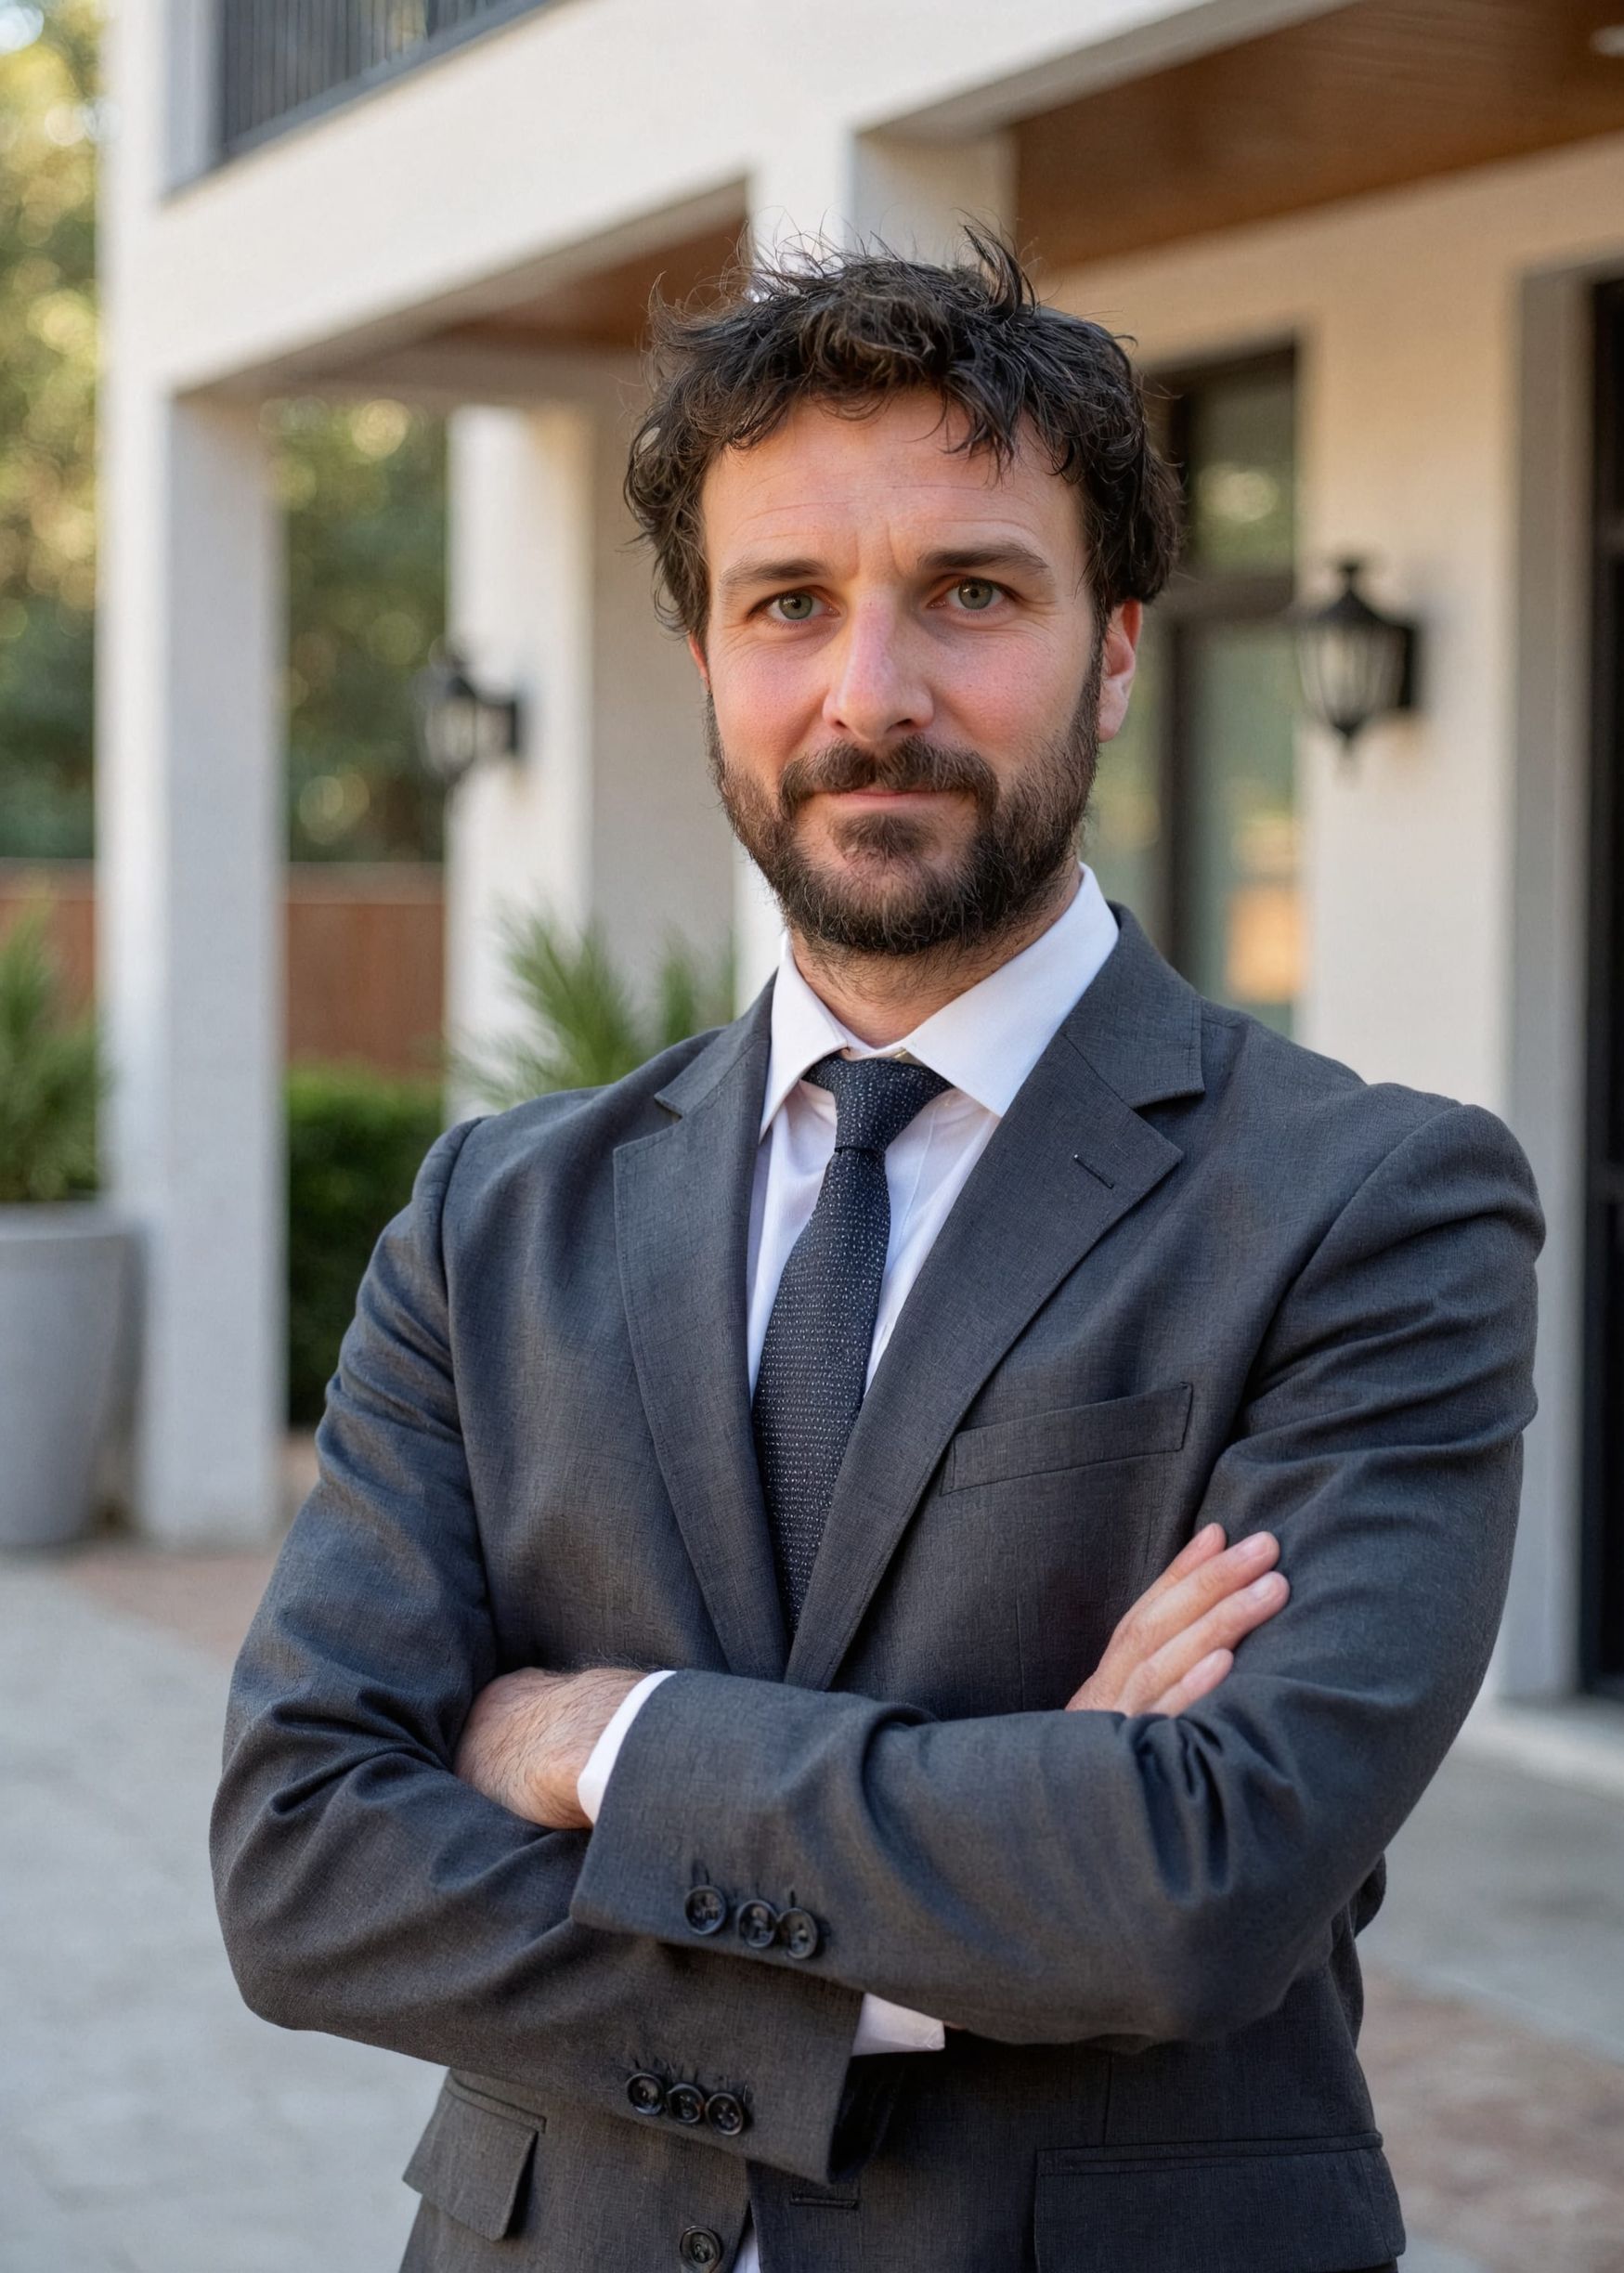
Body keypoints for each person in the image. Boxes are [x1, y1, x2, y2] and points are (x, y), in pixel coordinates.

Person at [212, 235, 1543, 2273]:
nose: (873, 696)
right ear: (711, 668)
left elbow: (1199, 1882)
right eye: (791, 606)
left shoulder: (1375, 1210)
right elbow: (304, 1863)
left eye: (973, 595)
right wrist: (981, 1871)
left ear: (1113, 649)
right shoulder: (496, 1217)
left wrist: (599, 1741)